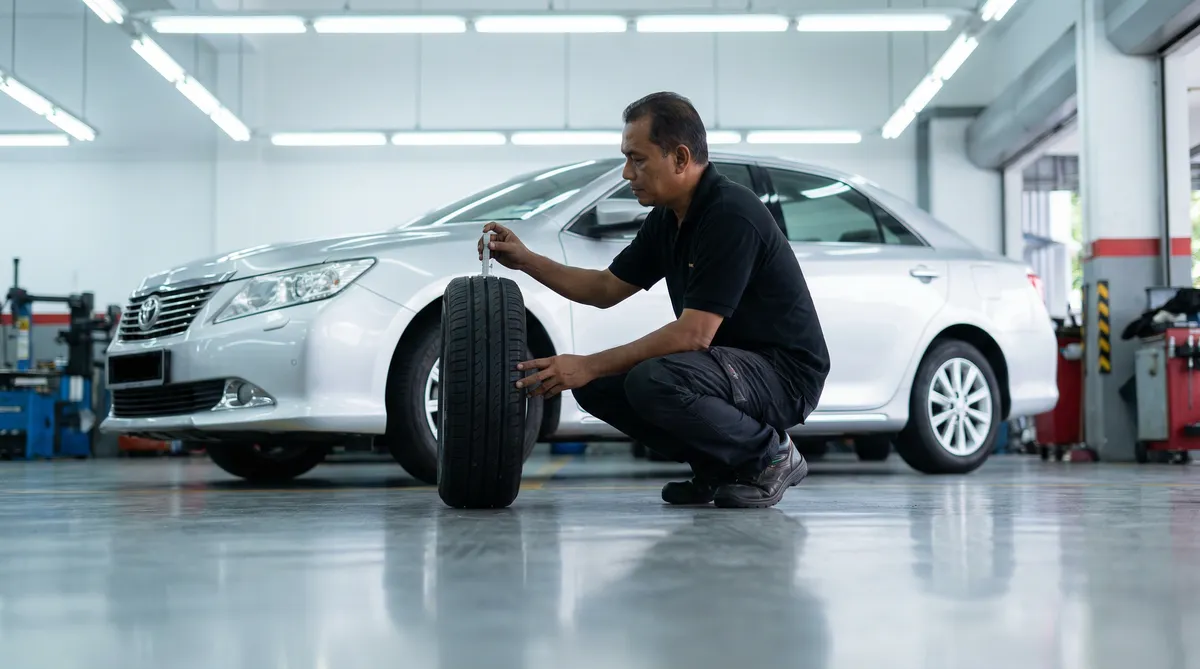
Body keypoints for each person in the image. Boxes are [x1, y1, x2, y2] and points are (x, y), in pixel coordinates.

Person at [477, 91, 830, 508]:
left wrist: (586, 364)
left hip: (783, 375)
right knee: (598, 387)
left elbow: (694, 335)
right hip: (731, 367)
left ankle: (769, 455)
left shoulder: (730, 215)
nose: (627, 173)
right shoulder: (669, 218)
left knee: (654, 379)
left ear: (680, 158)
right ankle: (719, 466)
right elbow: (606, 288)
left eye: (638, 159)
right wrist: (527, 260)